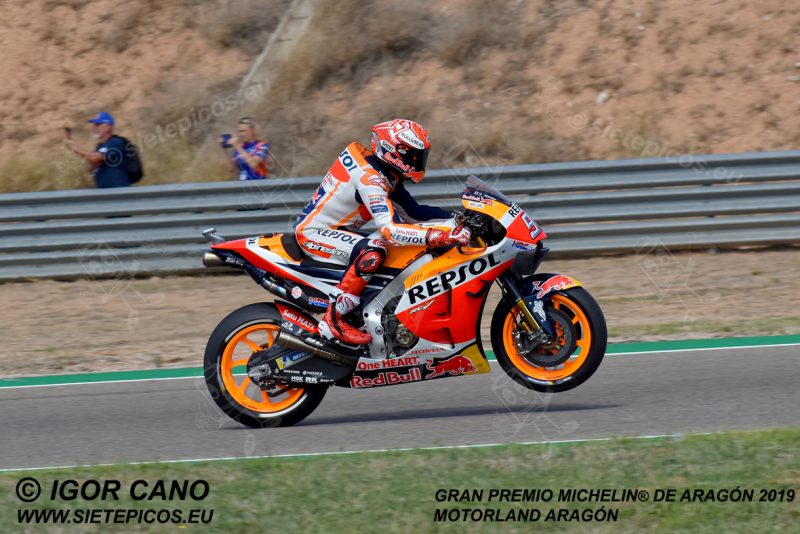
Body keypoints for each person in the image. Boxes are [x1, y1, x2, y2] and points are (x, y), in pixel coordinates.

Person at [294, 119, 471, 345]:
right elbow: (390, 230)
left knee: (397, 245)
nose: (417, 161)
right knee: (375, 249)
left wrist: (459, 217)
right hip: (314, 233)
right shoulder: (370, 177)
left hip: (339, 230)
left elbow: (413, 213)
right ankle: (335, 318)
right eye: (413, 155)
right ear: (394, 151)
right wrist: (441, 235)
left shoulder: (385, 172)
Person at [64, 112, 131, 188]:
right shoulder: (100, 147)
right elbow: (91, 165)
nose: (95, 128)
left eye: (98, 125)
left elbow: (94, 157)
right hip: (105, 193)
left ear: (108, 127)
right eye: (94, 125)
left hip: (119, 193)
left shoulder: (115, 142)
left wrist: (74, 148)